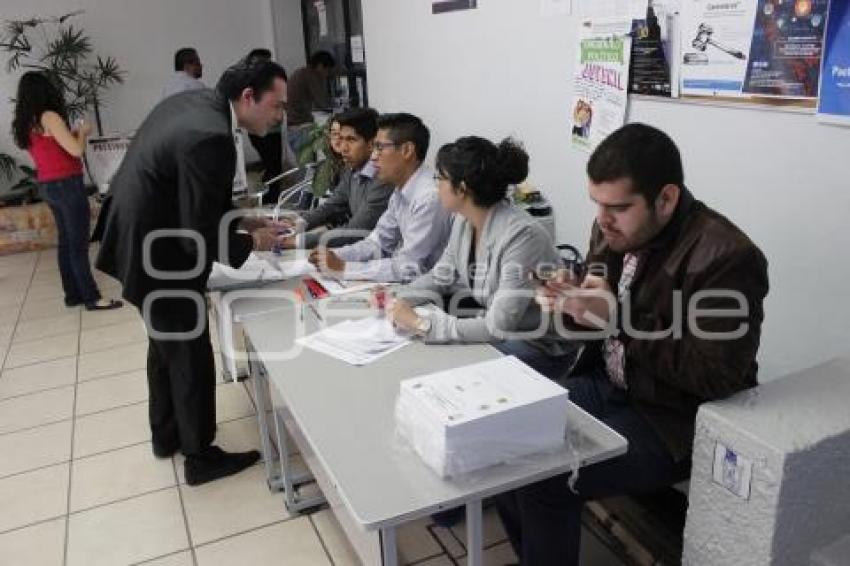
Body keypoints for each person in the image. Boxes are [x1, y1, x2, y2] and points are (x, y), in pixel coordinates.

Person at [496, 123, 769, 565]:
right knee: (502, 443)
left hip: (673, 421)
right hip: (611, 385)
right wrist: (572, 303)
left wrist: (619, 320)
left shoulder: (727, 256)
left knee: (545, 479)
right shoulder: (612, 230)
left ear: (666, 198)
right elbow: (595, 317)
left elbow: (716, 376)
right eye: (597, 204)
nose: (603, 220)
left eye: (618, 207)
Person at [96, 59, 289, 486]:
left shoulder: (198, 105)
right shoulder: (211, 137)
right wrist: (251, 242)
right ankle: (200, 456)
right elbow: (197, 232)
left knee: (164, 346)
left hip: (138, 237)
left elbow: (197, 198)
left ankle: (167, 436)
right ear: (248, 97)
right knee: (188, 355)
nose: (280, 117)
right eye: (277, 106)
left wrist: (245, 221)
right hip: (158, 252)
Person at [386, 136, 571, 361]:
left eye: (440, 178)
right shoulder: (464, 221)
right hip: (505, 333)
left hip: (538, 344)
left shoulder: (522, 235)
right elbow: (441, 275)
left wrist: (420, 324)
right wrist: (397, 298)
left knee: (446, 363)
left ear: (461, 188)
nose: (436, 186)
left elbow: (498, 327)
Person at [11, 71, 123, 311]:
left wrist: (73, 135)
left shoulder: (26, 121)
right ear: (46, 91)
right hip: (67, 184)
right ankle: (92, 298)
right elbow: (74, 151)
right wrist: (82, 133)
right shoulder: (49, 116)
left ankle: (73, 295)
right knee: (78, 245)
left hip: (48, 185)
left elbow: (52, 148)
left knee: (66, 243)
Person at [309, 112, 452, 283]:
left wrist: (344, 268)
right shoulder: (401, 191)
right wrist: (335, 255)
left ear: (407, 150)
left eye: (379, 148)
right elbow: (377, 243)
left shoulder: (429, 197)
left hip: (436, 295)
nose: (374, 156)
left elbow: (409, 267)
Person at [278, 107, 393, 249]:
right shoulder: (353, 169)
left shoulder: (383, 178)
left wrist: (296, 242)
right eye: (341, 139)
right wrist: (297, 223)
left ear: (371, 144)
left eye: (351, 140)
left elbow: (355, 232)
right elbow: (331, 206)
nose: (343, 148)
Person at [242, 48, 289, 204]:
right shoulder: (254, 82)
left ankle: (268, 197)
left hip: (265, 129)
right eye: (265, 61)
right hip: (264, 130)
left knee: (272, 166)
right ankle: (270, 199)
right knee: (273, 167)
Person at [286, 50, 336, 153]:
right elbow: (322, 102)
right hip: (300, 127)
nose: (327, 74)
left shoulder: (301, 72)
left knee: (302, 162)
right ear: (320, 66)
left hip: (292, 125)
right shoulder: (311, 76)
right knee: (307, 163)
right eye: (327, 70)